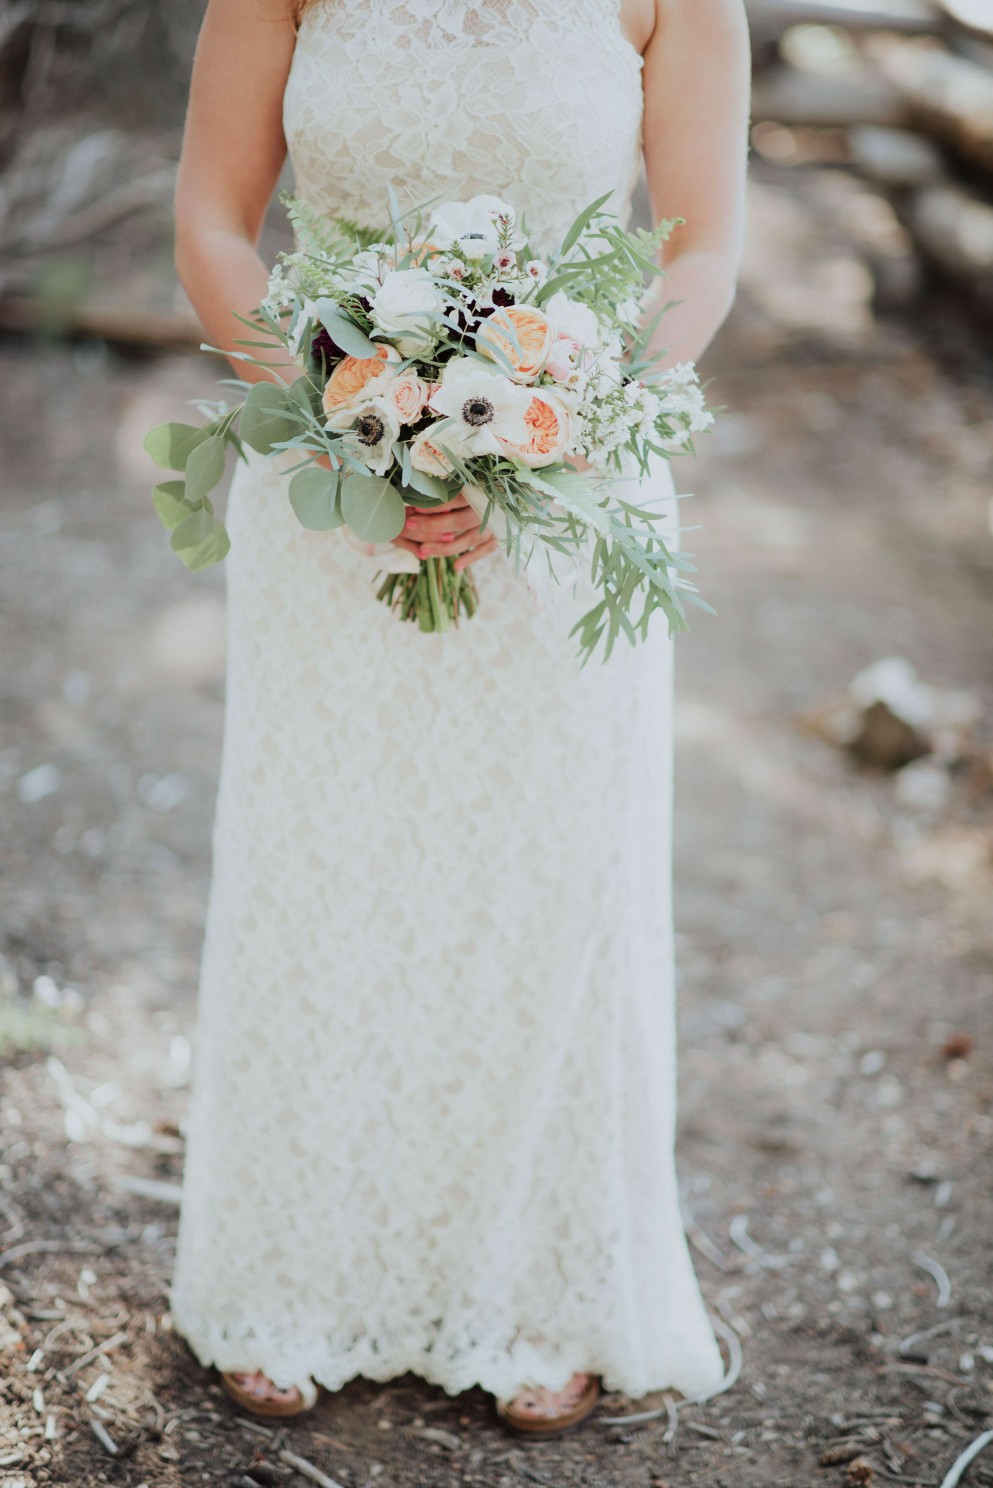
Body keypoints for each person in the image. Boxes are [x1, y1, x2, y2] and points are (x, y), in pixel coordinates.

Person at [167, 0, 750, 1437]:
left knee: (542, 880)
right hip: (324, 494)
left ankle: (537, 1283)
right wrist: (337, 410)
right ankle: (292, 1267)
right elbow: (212, 216)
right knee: (329, 863)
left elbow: (703, 245)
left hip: (565, 494)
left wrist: (547, 429)